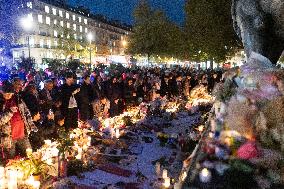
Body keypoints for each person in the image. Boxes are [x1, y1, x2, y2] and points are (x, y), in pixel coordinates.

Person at [0, 80, 38, 158]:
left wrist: (31, 125)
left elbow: (26, 112)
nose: (9, 96)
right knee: (10, 161)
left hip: (22, 134)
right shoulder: (1, 103)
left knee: (30, 157)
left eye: (11, 93)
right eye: (6, 94)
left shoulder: (17, 99)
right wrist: (10, 112)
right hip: (8, 138)